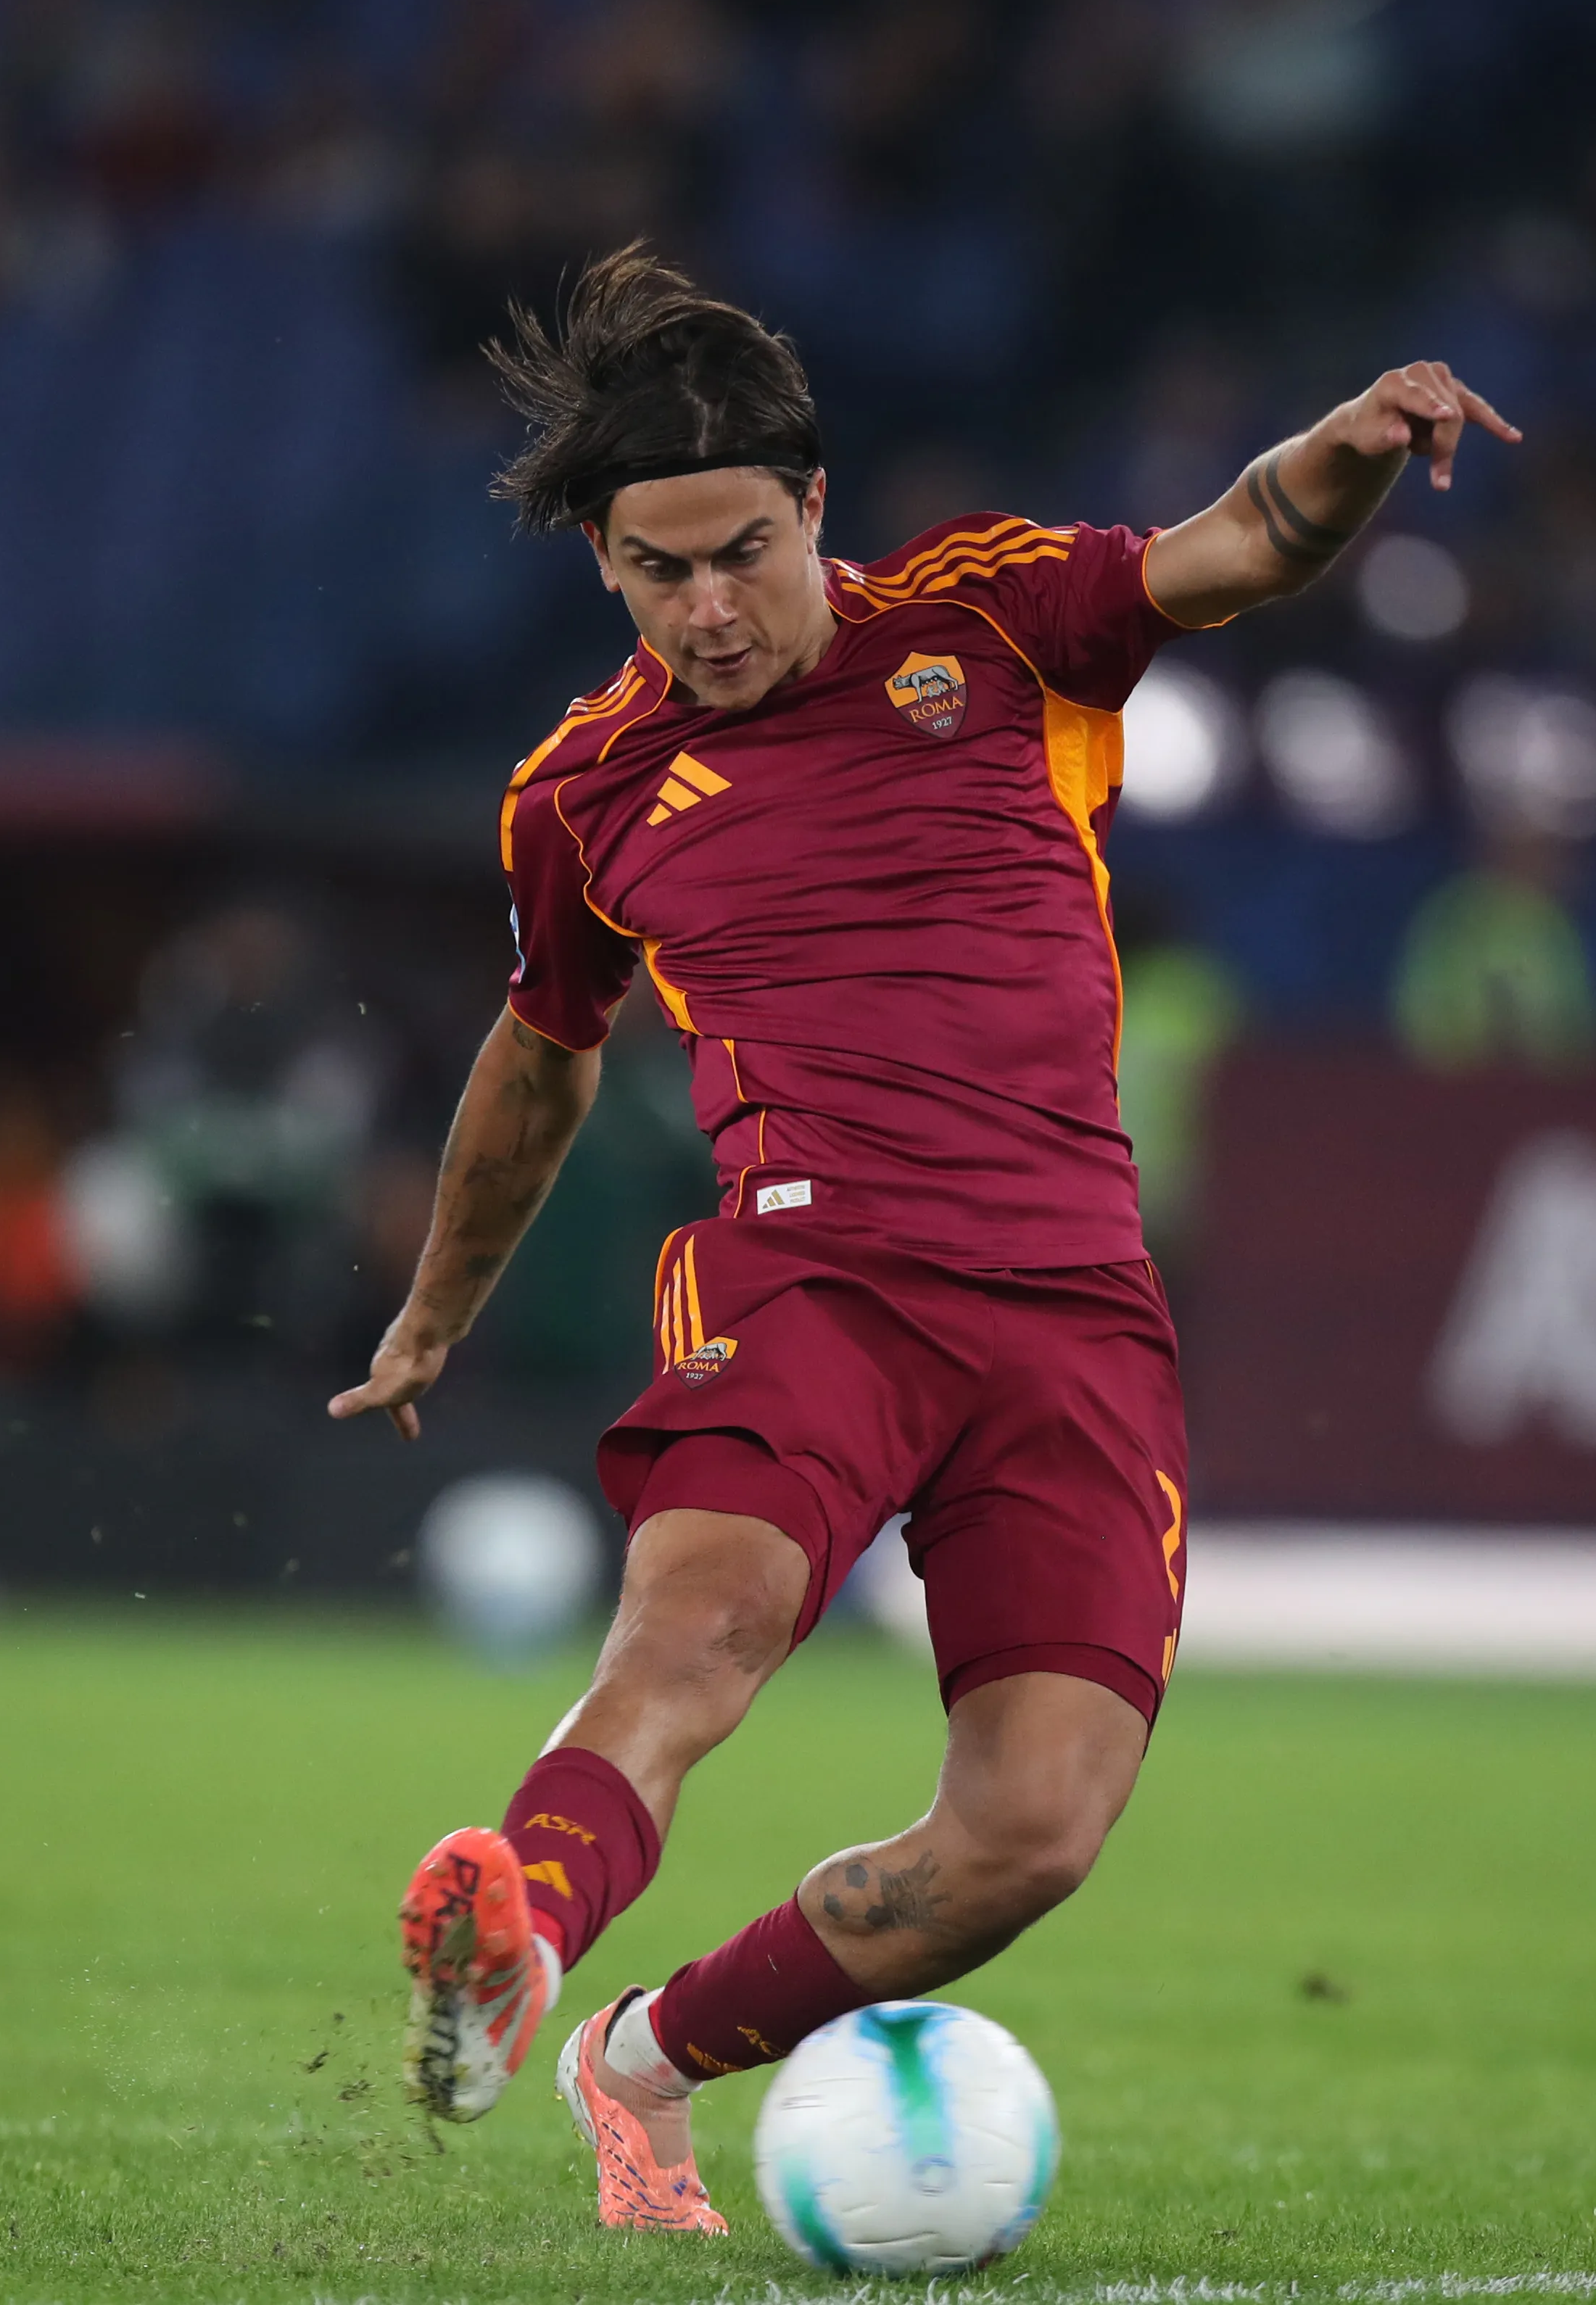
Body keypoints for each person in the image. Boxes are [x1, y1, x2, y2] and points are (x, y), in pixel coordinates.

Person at [326, 244, 1511, 2231]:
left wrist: (1352, 441)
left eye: (734, 554)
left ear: (811, 506)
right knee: (690, 1637)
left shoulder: (987, 615)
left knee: (1031, 1827)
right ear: (603, 570)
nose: (702, 609)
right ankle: (511, 1932)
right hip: (812, 1271)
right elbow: (539, 1057)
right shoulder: (586, 790)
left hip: (1069, 1305)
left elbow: (1236, 548)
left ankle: (642, 2053)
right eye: (651, 573)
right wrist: (436, 1310)